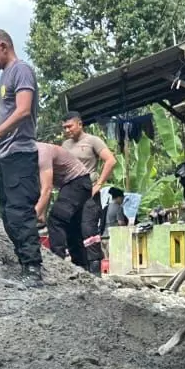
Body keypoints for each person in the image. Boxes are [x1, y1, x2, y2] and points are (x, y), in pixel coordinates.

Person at [0, 29, 41, 281]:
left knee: (20, 212)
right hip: (6, 156)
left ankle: (33, 269)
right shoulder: (5, 77)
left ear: (3, 46)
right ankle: (24, 265)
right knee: (8, 213)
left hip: (20, 154)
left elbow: (23, 111)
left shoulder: (21, 70)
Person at [61, 111, 116, 275]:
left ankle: (95, 273)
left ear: (79, 124)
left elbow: (111, 160)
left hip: (88, 193)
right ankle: (80, 270)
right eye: (64, 128)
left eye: (69, 126)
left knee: (88, 230)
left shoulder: (93, 141)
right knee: (72, 231)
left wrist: (98, 185)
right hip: (70, 194)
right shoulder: (65, 145)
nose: (67, 130)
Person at [39, 141, 108, 271]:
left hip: (77, 182)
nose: (67, 130)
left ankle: (58, 264)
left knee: (57, 220)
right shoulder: (43, 152)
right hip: (79, 184)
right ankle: (82, 267)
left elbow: (47, 189)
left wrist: (37, 213)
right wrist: (42, 214)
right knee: (72, 227)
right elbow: (44, 189)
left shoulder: (41, 152)